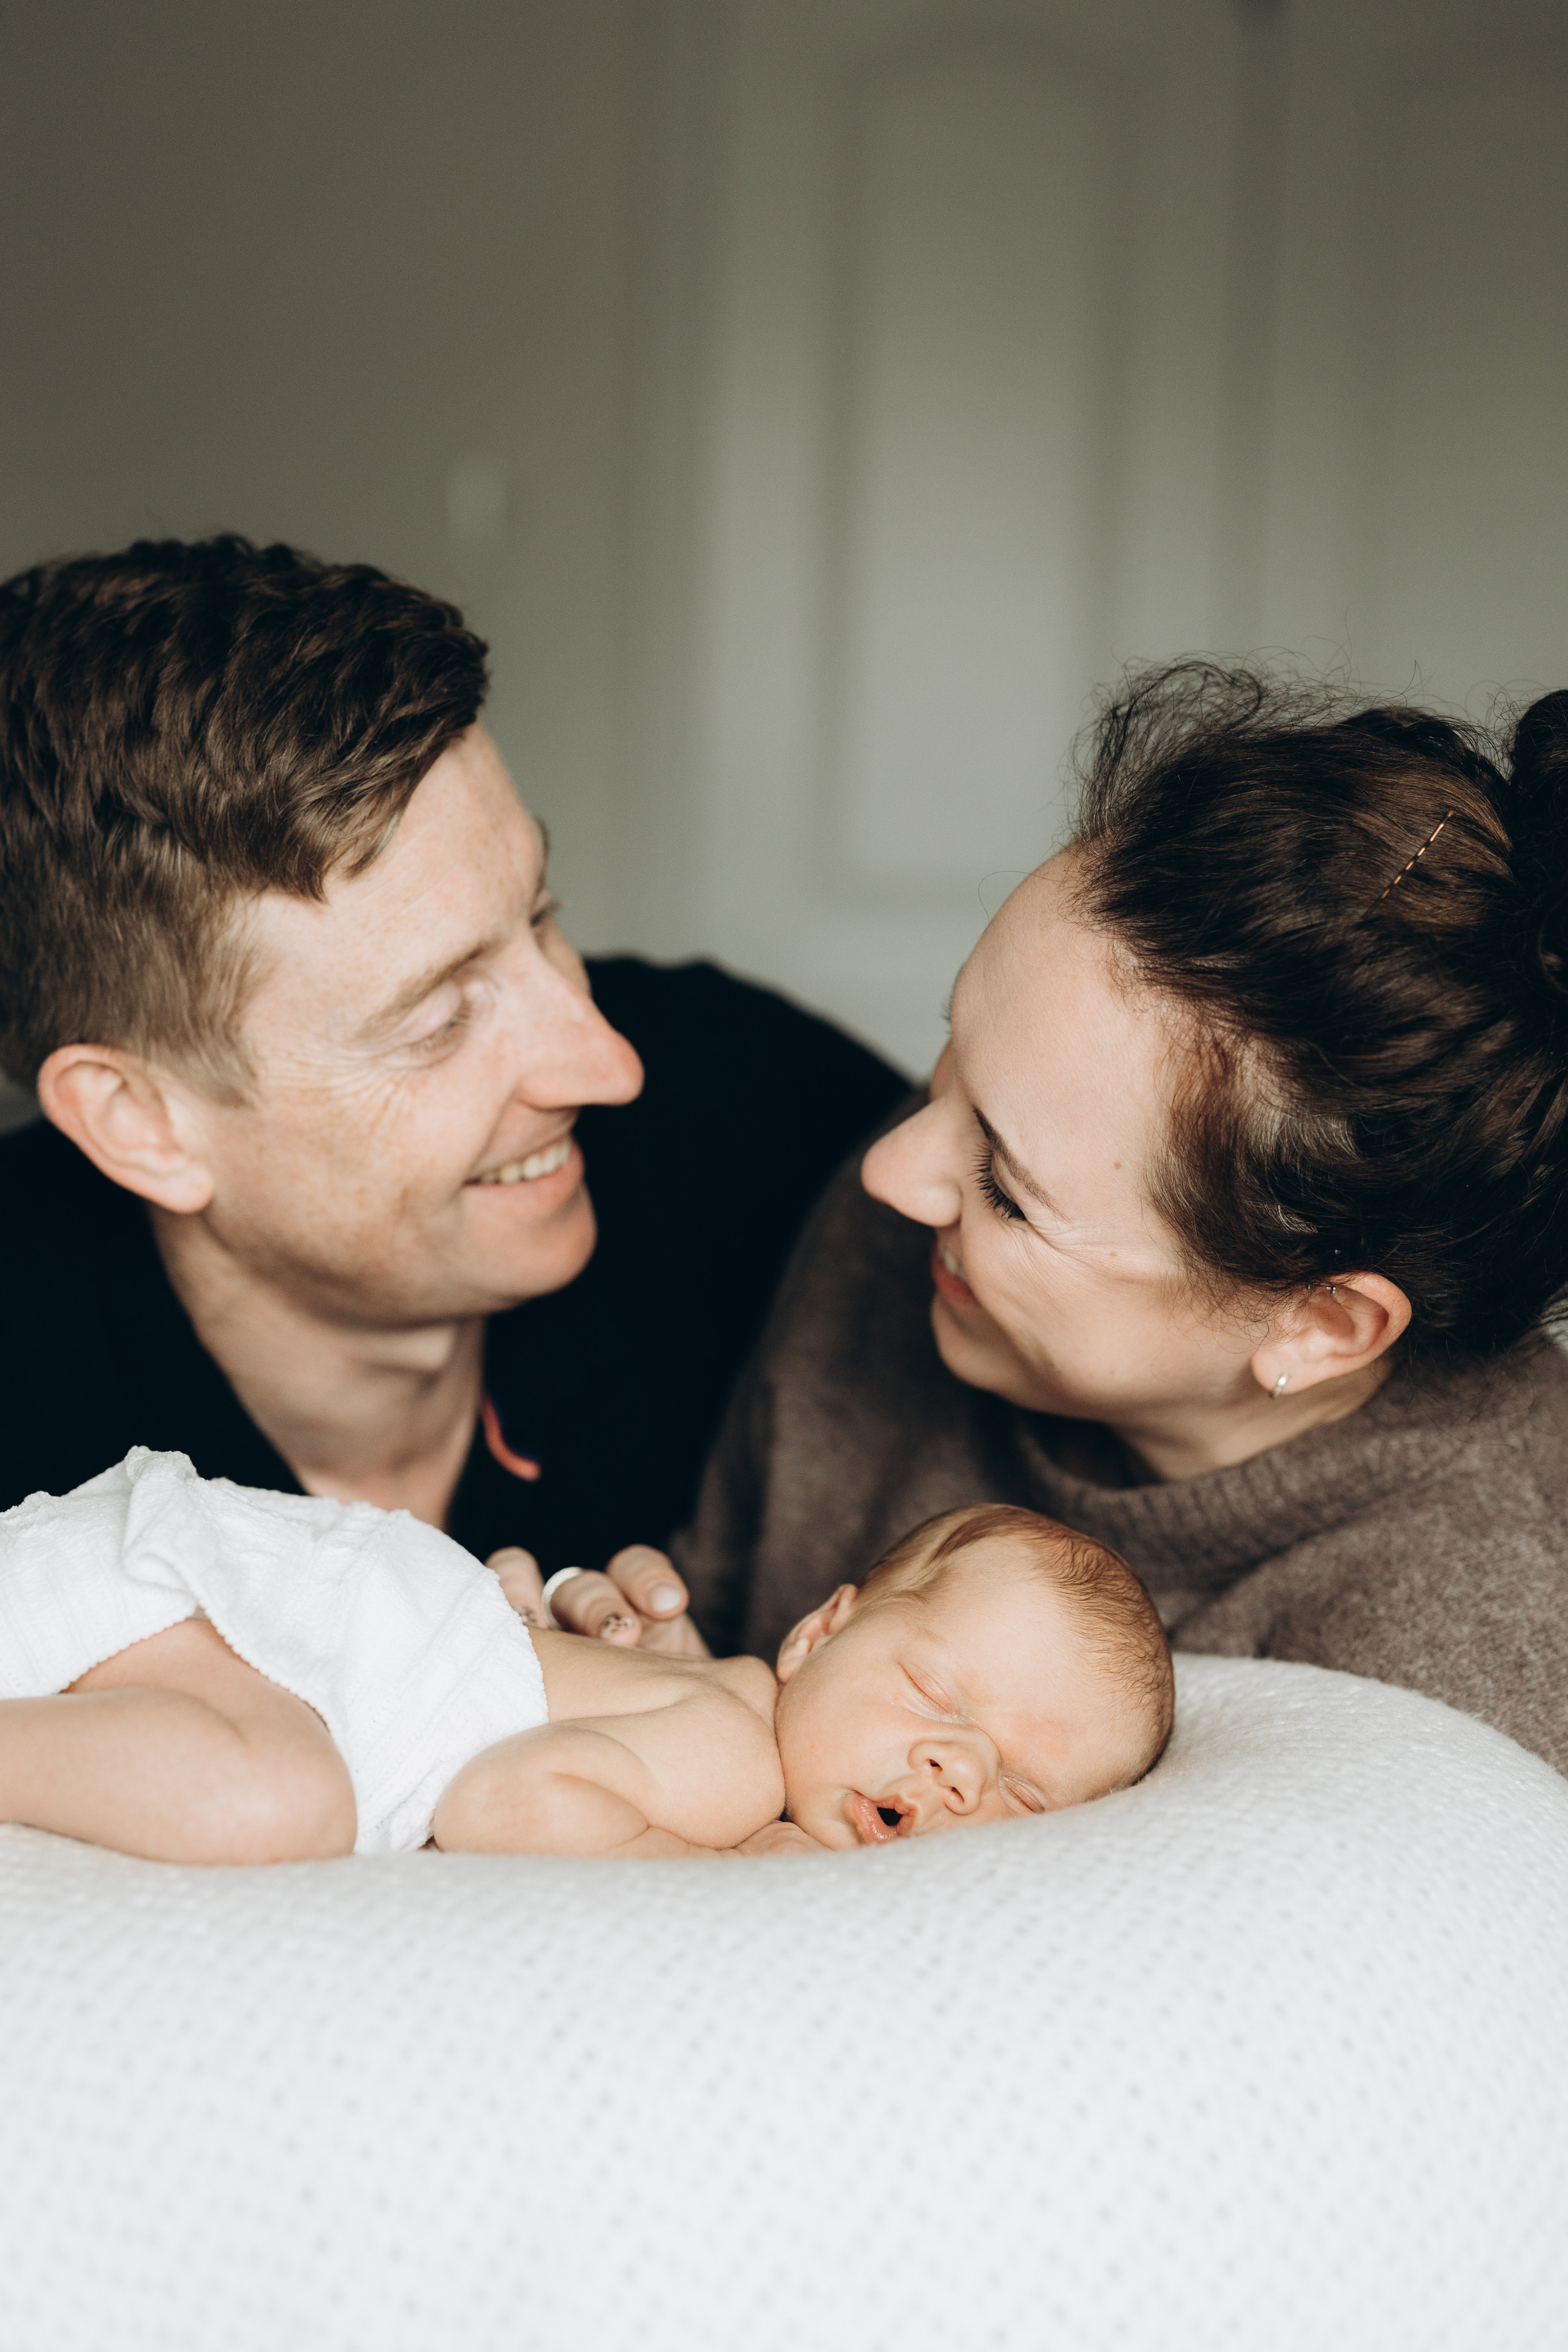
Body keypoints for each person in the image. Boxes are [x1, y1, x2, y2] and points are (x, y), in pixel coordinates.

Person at [0, 537, 907, 1646]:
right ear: (142, 1123)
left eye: (540, 917)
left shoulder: (745, 1107)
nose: (605, 1064)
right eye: (437, 1018)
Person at [673, 665, 1568, 1776]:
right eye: (950, 1050)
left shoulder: (1462, 1669)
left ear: (1320, 1326)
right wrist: (642, 1671)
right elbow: (725, 1645)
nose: (892, 1172)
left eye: (1005, 1187)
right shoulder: (922, 1232)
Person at [0, 1449, 1172, 1861]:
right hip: (226, 1608)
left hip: (219, 1612)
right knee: (269, 1802)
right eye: (932, 1692)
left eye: (1021, 1791)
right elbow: (507, 1801)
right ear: (819, 1633)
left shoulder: (709, 1708)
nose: (956, 1768)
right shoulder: (734, 1755)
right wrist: (720, 1876)